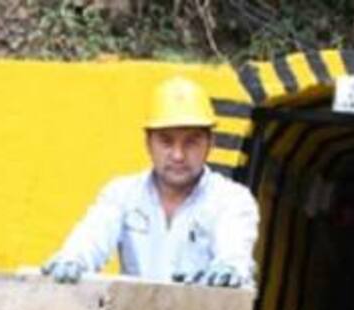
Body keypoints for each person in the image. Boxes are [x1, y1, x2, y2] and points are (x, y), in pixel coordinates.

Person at [42, 76, 260, 289]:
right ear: (148, 143)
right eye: (166, 141)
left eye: (191, 142)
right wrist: (73, 258)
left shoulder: (232, 200)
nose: (178, 155)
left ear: (210, 143)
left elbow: (234, 250)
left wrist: (229, 267)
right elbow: (93, 236)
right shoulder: (121, 194)